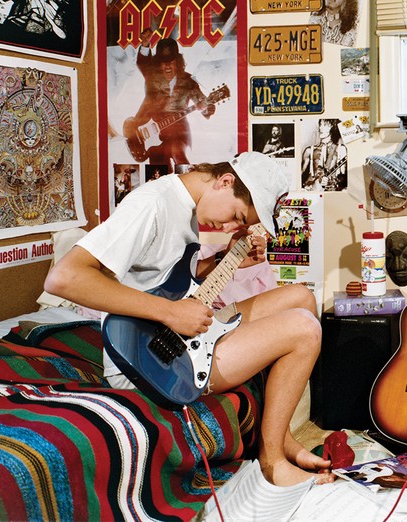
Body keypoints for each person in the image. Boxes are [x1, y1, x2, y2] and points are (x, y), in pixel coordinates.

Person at [43, 152, 332, 488]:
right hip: (150, 361)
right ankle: (272, 459)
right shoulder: (152, 203)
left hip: (175, 334)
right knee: (304, 327)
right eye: (237, 216)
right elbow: (63, 278)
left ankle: (280, 434)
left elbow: (172, 286)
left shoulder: (186, 207)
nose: (229, 228)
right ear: (225, 182)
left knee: (301, 297)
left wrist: (226, 259)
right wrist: (169, 313)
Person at [132, 32, 215, 171]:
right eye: (164, 63)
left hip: (178, 130)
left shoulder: (188, 81)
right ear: (158, 64)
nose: (168, 67)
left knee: (178, 153)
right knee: (157, 174)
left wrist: (208, 108)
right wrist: (145, 45)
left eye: (171, 62)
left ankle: (188, 183)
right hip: (151, 131)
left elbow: (202, 103)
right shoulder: (152, 77)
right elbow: (143, 63)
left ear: (178, 62)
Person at [301, 119, 347, 191]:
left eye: (325, 125)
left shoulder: (341, 149)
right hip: (313, 191)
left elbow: (345, 177)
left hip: (332, 192)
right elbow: (300, 176)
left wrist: (333, 182)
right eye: (320, 125)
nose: (320, 128)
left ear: (333, 127)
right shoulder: (309, 151)